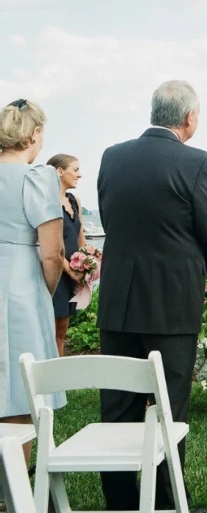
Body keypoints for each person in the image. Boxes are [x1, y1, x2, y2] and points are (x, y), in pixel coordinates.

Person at [97, 80, 207, 513]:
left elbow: (112, 217)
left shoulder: (112, 157)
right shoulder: (196, 162)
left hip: (118, 300)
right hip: (171, 304)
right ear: (189, 118)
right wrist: (196, 264)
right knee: (170, 410)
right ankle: (167, 504)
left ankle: (120, 503)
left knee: (117, 409)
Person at [0, 99, 65, 467]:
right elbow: (52, 253)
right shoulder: (37, 177)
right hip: (20, 287)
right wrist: (46, 292)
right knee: (21, 393)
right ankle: (15, 490)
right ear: (34, 134)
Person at [46, 154, 88, 356]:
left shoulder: (74, 201)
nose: (79, 175)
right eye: (76, 169)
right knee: (54, 328)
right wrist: (70, 271)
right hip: (56, 272)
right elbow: (50, 245)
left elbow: (81, 238)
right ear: (60, 171)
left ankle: (57, 376)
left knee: (63, 329)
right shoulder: (48, 201)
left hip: (73, 273)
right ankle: (52, 379)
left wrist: (90, 263)